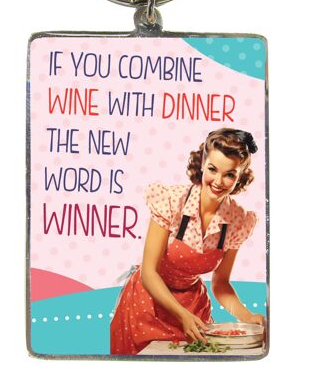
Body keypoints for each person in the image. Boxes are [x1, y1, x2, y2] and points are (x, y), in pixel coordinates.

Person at [110, 128, 265, 355]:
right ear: (202, 164)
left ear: (240, 177)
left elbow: (221, 283)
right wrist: (181, 315)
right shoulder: (172, 201)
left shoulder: (238, 220)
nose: (218, 181)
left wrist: (248, 317)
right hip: (147, 303)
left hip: (193, 307)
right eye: (212, 169)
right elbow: (149, 273)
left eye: (229, 175)